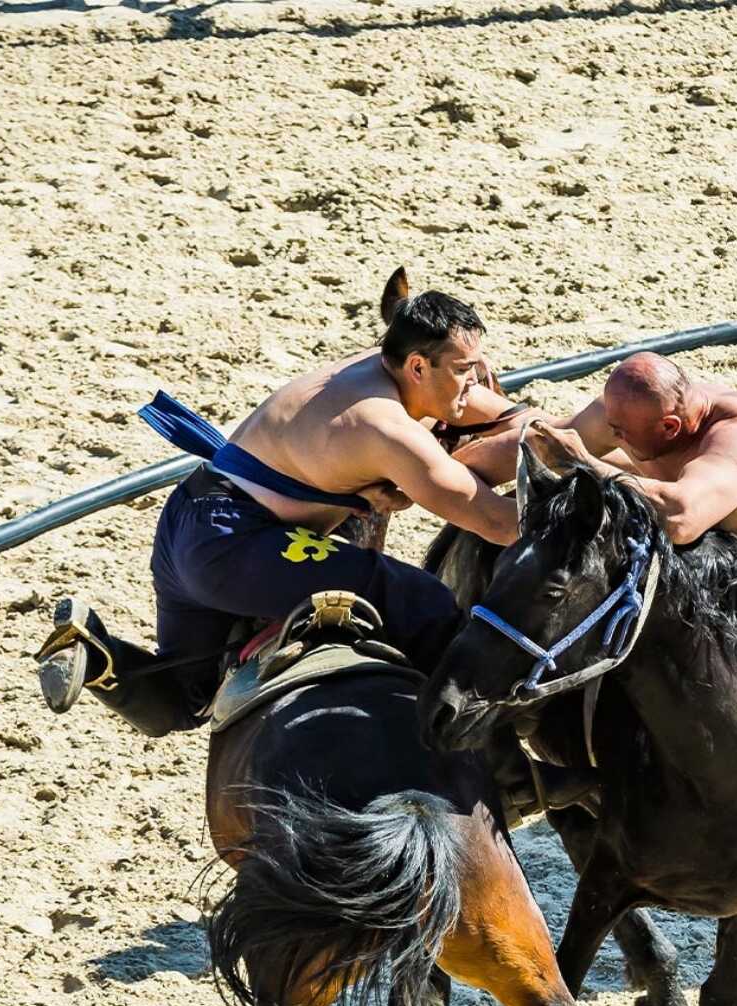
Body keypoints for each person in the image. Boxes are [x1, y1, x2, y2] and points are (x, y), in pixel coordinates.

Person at [35, 291, 529, 737]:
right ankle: (481, 749)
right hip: (238, 544)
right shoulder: (387, 426)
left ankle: (98, 654)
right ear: (419, 367)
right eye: (466, 370)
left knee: (186, 700)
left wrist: (577, 438)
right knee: (418, 596)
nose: (472, 382)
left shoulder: (366, 370)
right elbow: (495, 523)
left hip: (187, 522)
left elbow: (489, 413)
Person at [454, 352, 737, 760]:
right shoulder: (634, 406)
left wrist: (586, 463)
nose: (609, 434)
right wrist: (441, 470)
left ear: (671, 427)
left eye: (619, 433)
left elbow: (680, 519)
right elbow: (549, 438)